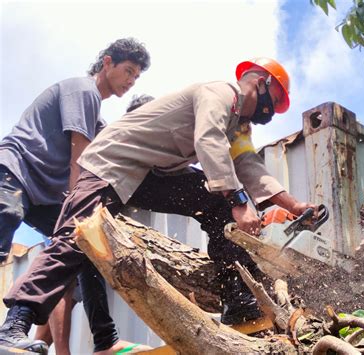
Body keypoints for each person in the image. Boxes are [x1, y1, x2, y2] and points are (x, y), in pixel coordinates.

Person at [0, 57, 317, 354]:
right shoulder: (221, 94)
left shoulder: (239, 126)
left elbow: (249, 166)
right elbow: (208, 140)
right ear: (260, 82)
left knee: (214, 204)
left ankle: (237, 303)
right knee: (74, 238)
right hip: (110, 162)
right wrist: (238, 200)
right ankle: (14, 326)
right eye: (275, 101)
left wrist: (296, 205)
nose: (273, 111)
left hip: (148, 175)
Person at [0, 38, 150, 354]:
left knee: (82, 246)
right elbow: (79, 158)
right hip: (15, 170)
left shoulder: (97, 117)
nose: (130, 81)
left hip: (42, 194)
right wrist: (78, 208)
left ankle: (105, 341)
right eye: (128, 71)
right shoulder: (82, 90)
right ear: (107, 62)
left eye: (136, 77)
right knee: (7, 220)